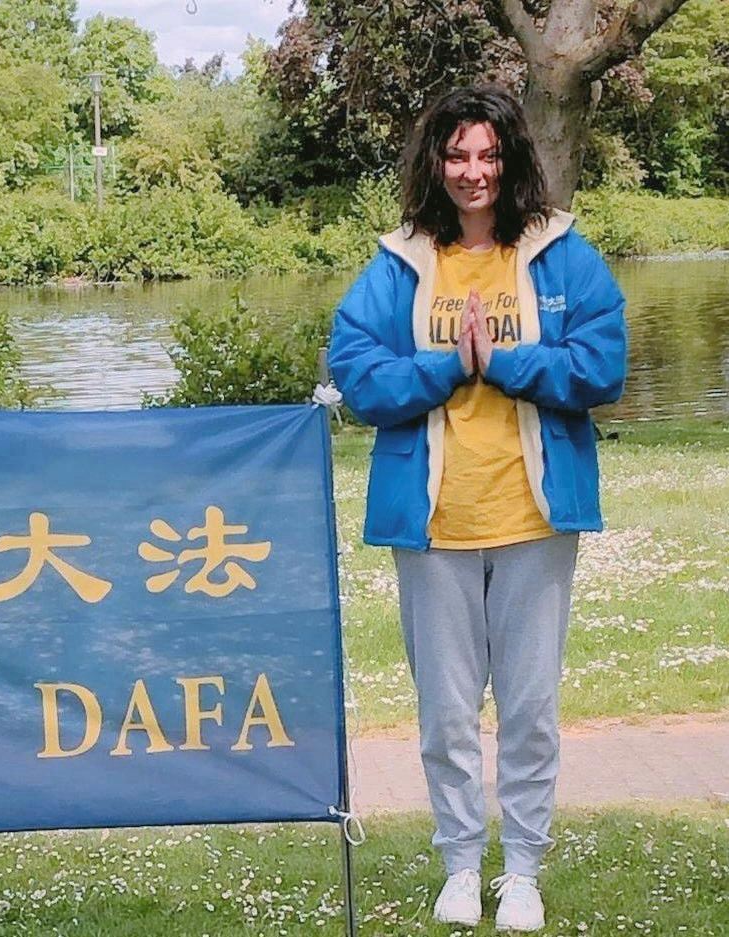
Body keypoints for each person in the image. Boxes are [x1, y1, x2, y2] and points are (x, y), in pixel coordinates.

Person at [328, 85, 627, 932]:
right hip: (433, 529)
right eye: (456, 154)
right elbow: (357, 374)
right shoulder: (398, 263)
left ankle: (521, 872)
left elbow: (602, 364)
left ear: (511, 158)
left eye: (488, 154)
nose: (472, 171)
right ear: (434, 162)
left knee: (529, 712)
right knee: (446, 716)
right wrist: (446, 368)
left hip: (535, 522)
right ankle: (460, 865)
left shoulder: (560, 252)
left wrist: (506, 363)